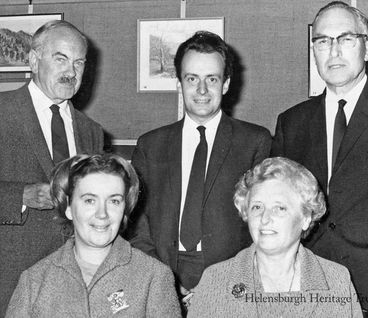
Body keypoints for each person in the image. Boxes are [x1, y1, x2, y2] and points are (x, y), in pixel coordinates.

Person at [271, 2, 368, 317]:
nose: (334, 51)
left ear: (367, 48)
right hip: (310, 285)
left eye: (345, 39)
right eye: (323, 41)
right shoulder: (292, 122)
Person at [128, 31, 272, 300]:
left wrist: (222, 283)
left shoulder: (255, 142)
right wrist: (163, 279)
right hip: (162, 274)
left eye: (212, 79)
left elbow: (264, 224)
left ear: (226, 84)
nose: (202, 90)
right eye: (192, 79)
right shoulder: (150, 145)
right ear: (179, 83)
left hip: (231, 281)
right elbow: (137, 224)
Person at [0, 20, 104, 315]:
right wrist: (20, 196)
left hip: (77, 285)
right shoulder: (2, 113)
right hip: (10, 283)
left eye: (79, 62)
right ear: (34, 61)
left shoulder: (91, 131)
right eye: (61, 59)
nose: (71, 72)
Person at [6, 154, 181, 317]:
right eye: (90, 200)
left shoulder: (153, 277)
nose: (102, 214)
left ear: (124, 209)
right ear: (68, 207)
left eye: (114, 201)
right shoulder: (34, 280)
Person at [188, 157, 362, 318]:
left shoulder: (335, 279)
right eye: (257, 207)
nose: (265, 218)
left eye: (279, 208)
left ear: (306, 218)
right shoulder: (215, 280)